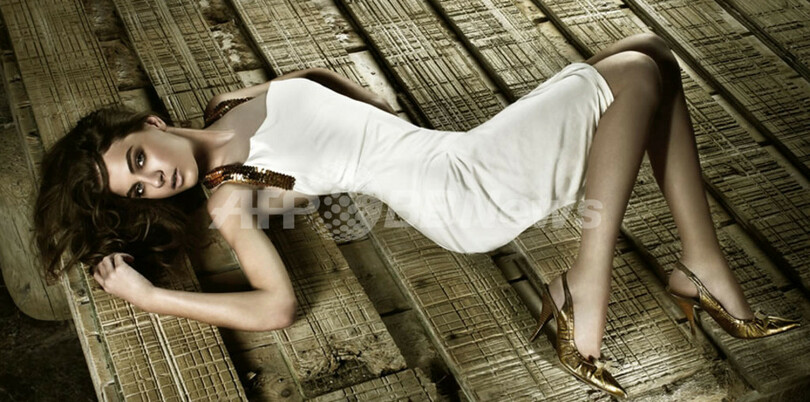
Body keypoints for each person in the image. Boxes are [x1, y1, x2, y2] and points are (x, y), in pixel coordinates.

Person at [33, 33, 799, 398]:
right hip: (459, 198)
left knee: (651, 54)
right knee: (632, 74)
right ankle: (585, 293)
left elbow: (342, 104)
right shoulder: (233, 195)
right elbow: (277, 306)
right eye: (139, 192)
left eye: (139, 160)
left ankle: (699, 269)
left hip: (456, 155)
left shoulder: (226, 104)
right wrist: (153, 297)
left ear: (147, 126)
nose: (156, 179)